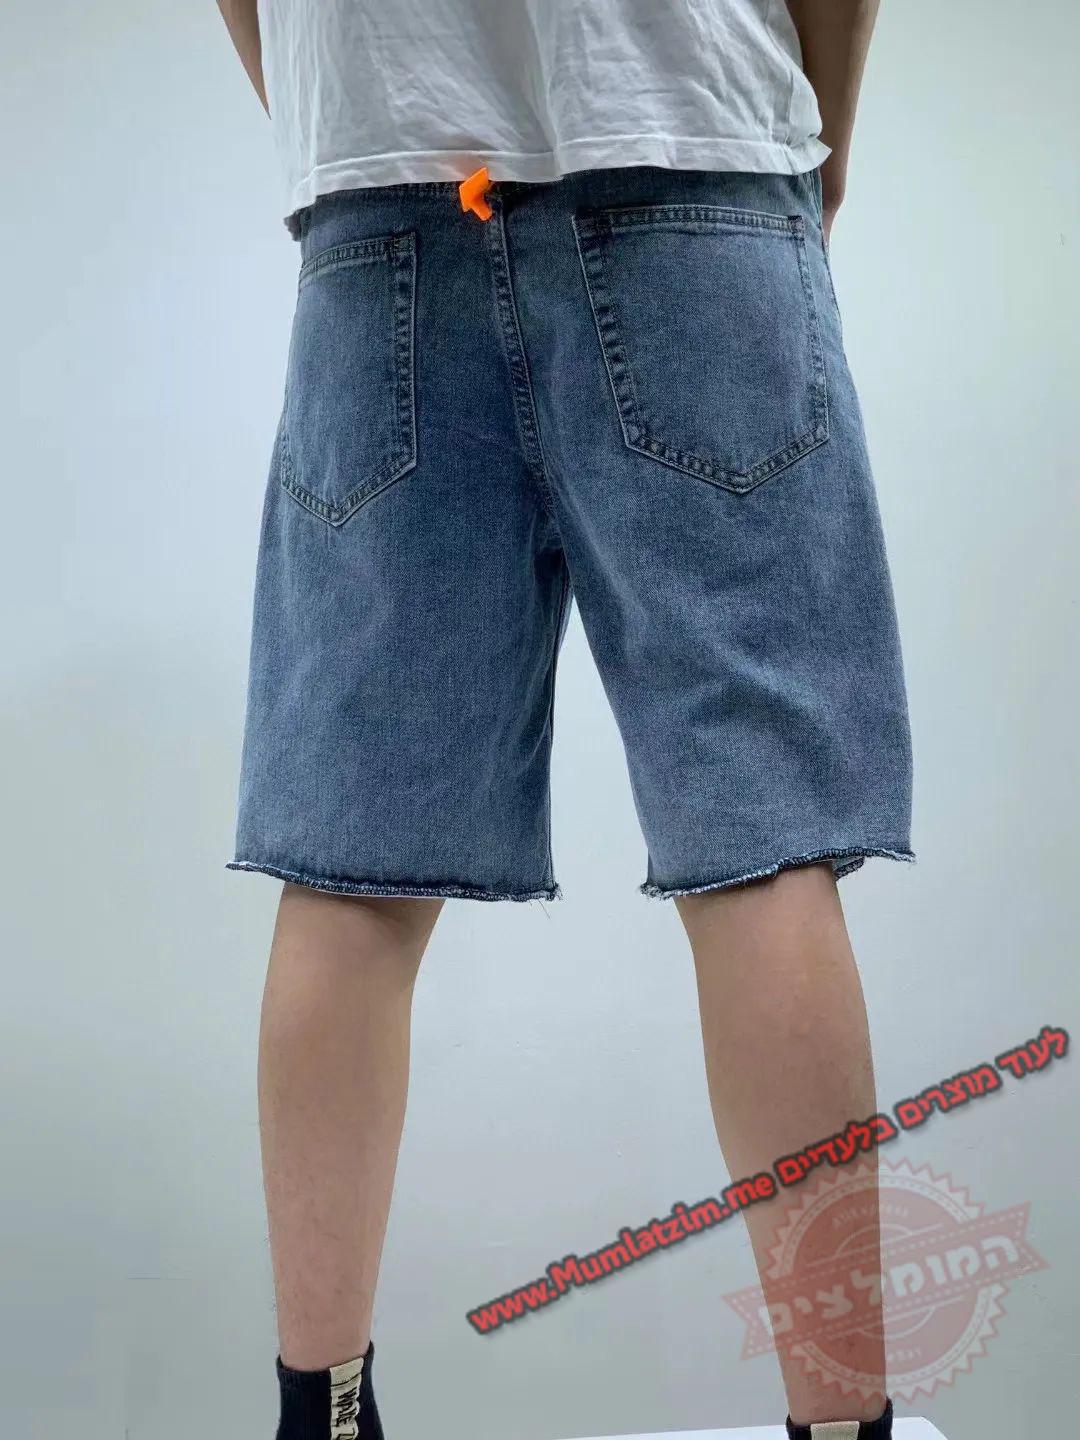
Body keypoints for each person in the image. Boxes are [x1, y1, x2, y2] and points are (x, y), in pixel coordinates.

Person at [216, 2, 911, 1437]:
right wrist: (819, 137)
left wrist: (348, 119)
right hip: (695, 158)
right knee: (764, 840)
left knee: (351, 862)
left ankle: (319, 1420)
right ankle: (844, 1432)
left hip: (379, 208)